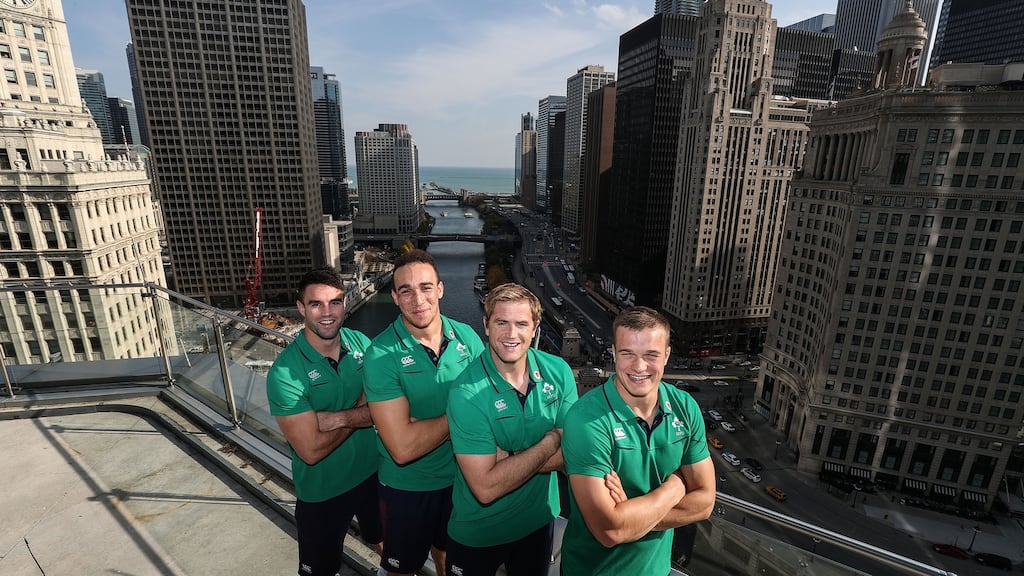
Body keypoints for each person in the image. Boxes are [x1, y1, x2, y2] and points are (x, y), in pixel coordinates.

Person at [561, 306, 716, 575]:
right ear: (613, 353)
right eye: (627, 354)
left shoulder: (685, 407)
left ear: (667, 354)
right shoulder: (586, 420)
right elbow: (608, 531)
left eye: (651, 355)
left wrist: (630, 517)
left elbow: (705, 502)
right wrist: (675, 487)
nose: (639, 366)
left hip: (658, 570)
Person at [364, 249, 485, 576]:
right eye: (406, 290)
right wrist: (461, 414)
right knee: (402, 569)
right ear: (394, 297)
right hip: (408, 489)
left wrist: (418, 424)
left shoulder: (468, 337)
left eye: (426, 287)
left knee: (448, 560)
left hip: (463, 481)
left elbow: (487, 408)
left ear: (441, 289)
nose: (418, 299)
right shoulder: (380, 355)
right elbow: (402, 448)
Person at [446, 283, 578, 576]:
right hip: (479, 532)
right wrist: (550, 441)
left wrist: (510, 458)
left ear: (535, 328)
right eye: (501, 322)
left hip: (538, 523)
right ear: (486, 325)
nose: (511, 334)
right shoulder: (465, 392)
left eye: (521, 323)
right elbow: (485, 488)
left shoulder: (559, 372)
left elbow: (572, 454)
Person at [266, 267, 382, 576]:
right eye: (316, 304)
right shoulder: (285, 373)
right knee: (319, 569)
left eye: (335, 302)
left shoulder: (359, 342)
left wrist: (335, 418)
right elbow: (311, 450)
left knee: (388, 544)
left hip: (375, 473)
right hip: (323, 491)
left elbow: (386, 402)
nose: (327, 312)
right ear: (301, 308)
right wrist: (361, 411)